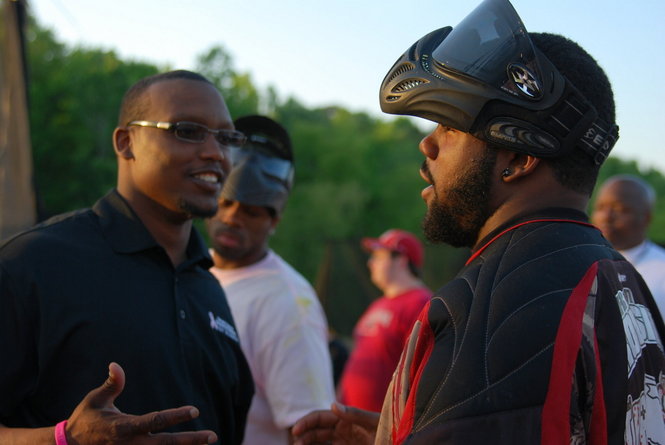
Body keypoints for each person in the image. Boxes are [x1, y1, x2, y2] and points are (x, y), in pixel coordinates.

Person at [292, 0, 665, 443]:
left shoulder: (492, 308)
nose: (427, 146)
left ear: (519, 156)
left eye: (449, 127)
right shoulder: (619, 276)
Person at [0, 70, 254, 444]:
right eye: (187, 130)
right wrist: (64, 439)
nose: (215, 153)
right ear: (126, 143)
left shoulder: (208, 287)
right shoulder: (33, 264)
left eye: (226, 138)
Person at [206, 115, 335, 444]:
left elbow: (310, 431)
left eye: (251, 211)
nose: (233, 217)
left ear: (273, 220)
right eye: (226, 203)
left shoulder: (289, 304)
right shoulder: (194, 272)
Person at [338, 229, 431, 412]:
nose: (371, 263)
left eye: (379, 256)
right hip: (352, 424)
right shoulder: (379, 304)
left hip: (383, 429)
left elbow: (422, 372)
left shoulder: (421, 303)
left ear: (402, 260)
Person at [592, 174, 665, 315]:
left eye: (619, 209)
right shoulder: (583, 261)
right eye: (600, 207)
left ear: (646, 218)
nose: (606, 216)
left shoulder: (661, 269)